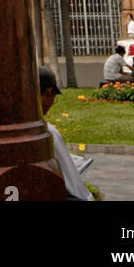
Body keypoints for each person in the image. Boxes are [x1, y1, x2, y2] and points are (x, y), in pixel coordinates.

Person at [39, 66, 92, 202]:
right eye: (53, 97)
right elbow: (72, 180)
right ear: (48, 93)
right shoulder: (47, 133)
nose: (53, 103)